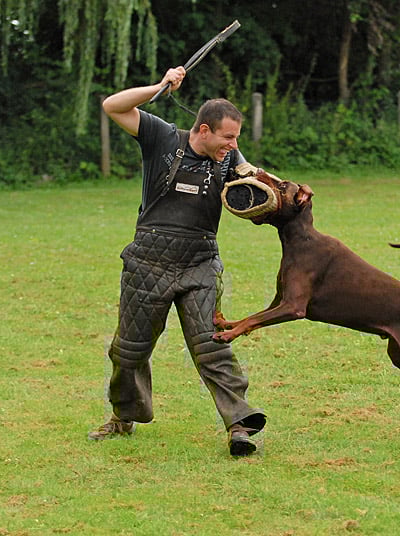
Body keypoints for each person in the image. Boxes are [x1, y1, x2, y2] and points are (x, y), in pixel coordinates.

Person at [88, 66, 266, 456]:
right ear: (204, 130)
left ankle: (240, 424)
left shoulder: (230, 159)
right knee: (129, 350)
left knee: (212, 346)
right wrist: (160, 86)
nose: (233, 144)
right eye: (228, 137)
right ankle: (123, 417)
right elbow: (113, 105)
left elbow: (257, 188)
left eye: (236, 138)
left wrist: (275, 191)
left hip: (199, 262)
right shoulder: (163, 137)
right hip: (148, 262)